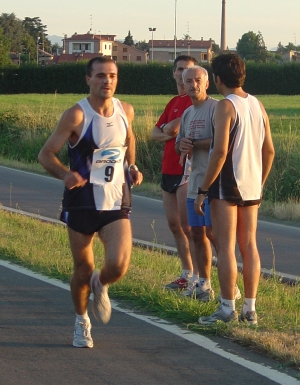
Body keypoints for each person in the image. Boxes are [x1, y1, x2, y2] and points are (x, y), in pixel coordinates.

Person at [38, 56, 143, 348]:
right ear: (88, 79)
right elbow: (45, 154)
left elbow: (129, 140)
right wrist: (65, 174)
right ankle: (81, 320)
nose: (106, 81)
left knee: (118, 266)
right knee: (82, 270)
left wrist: (132, 167)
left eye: (111, 75)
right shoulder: (76, 115)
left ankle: (102, 282)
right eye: (100, 76)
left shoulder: (126, 111)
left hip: (116, 202)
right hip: (82, 202)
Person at [194, 53, 275, 325]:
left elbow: (219, 153)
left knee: (226, 247)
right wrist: (260, 182)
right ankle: (250, 310)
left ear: (217, 79)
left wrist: (203, 189)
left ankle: (227, 308)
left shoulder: (225, 106)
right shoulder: (257, 105)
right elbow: (270, 151)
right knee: (249, 246)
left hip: (227, 184)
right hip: (252, 185)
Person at [151, 55, 197, 290]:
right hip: (168, 168)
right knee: (174, 225)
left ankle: (200, 277)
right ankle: (186, 272)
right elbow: (155, 133)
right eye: (179, 70)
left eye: (188, 70)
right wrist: (173, 133)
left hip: (186, 171)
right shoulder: (173, 102)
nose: (182, 74)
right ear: (173, 73)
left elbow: (172, 128)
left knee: (189, 227)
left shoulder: (195, 102)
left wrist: (171, 130)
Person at [174, 65, 217, 301]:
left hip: (213, 183)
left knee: (214, 234)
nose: (193, 85)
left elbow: (222, 142)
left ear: (207, 83)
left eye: (197, 80)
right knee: (197, 234)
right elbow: (179, 142)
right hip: (193, 182)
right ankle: (203, 283)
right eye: (188, 81)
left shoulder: (216, 108)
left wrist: (195, 143)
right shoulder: (188, 113)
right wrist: (182, 145)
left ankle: (231, 286)